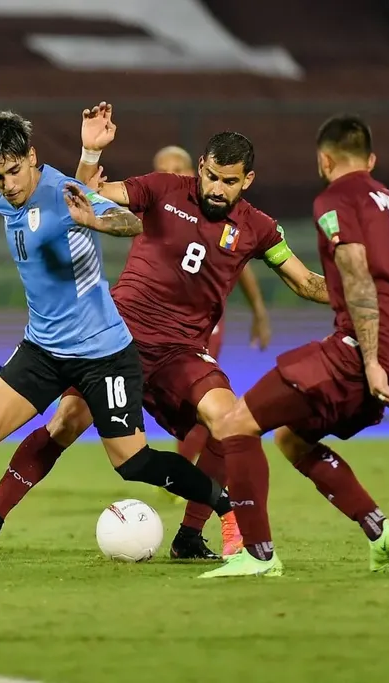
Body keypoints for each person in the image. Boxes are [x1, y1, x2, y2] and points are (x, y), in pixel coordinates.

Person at [0, 111, 241, 568]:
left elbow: (130, 223)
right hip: (43, 349)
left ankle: (227, 510)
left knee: (134, 464)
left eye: (16, 171)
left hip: (103, 354)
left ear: (33, 157)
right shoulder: (4, 199)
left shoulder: (62, 194)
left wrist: (96, 220)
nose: (9, 184)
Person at [0, 103, 331, 563]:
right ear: (201, 167)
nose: (216, 187)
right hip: (116, 339)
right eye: (211, 176)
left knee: (231, 422)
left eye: (229, 181)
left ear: (247, 180)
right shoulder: (163, 188)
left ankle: (191, 535)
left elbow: (306, 282)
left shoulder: (260, 228)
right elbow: (85, 194)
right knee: (66, 423)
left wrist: (367, 294)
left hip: (181, 353)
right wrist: (91, 152)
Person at [199, 114, 389, 579]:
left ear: (324, 159)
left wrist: (369, 361)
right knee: (291, 438)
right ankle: (379, 530)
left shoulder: (336, 199)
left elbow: (358, 276)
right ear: (370, 160)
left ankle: (258, 555)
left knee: (235, 424)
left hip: (361, 353)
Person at [152, 144, 271, 557]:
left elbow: (246, 266)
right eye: (163, 169)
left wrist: (258, 311)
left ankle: (194, 519)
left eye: (177, 167)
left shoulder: (239, 224)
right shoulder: (160, 205)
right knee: (70, 418)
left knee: (215, 415)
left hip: (194, 334)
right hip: (141, 332)